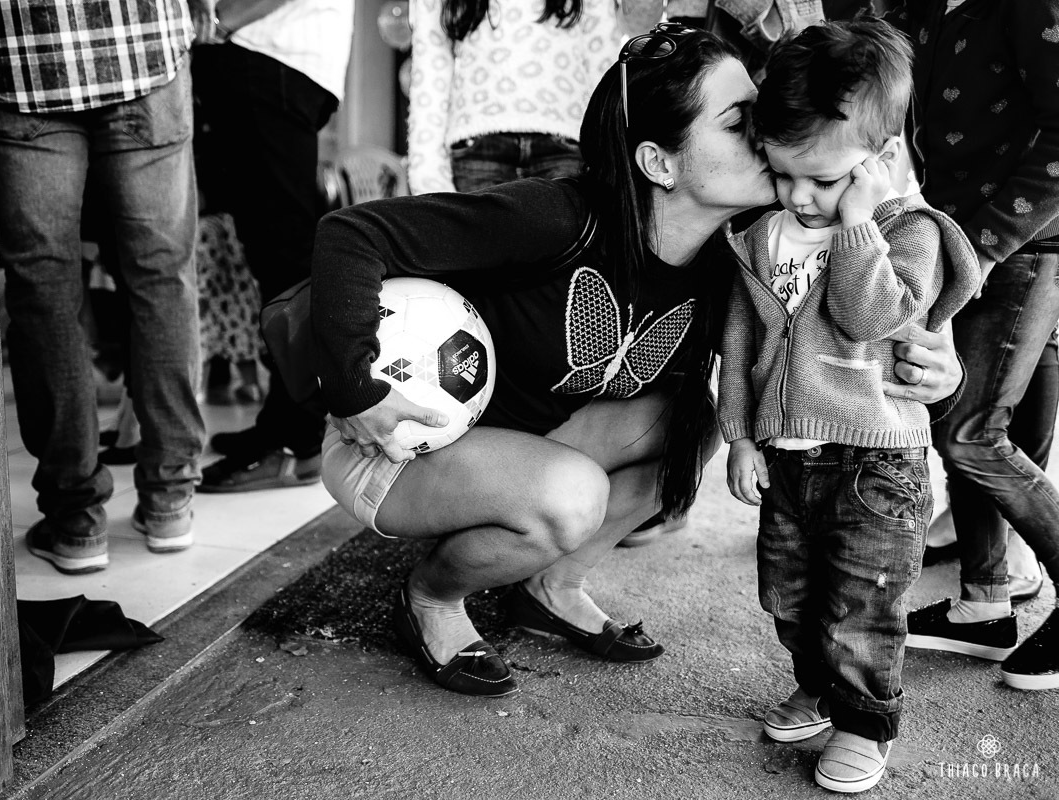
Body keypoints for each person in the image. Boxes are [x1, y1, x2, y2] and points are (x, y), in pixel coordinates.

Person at [303, 21, 964, 701]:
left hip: (517, 442)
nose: (765, 135)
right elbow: (352, 233)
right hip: (394, 442)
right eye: (740, 121)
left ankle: (550, 585)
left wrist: (938, 363)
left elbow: (849, 309)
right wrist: (357, 392)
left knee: (688, 423)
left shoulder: (734, 251)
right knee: (570, 498)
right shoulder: (558, 217)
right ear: (660, 163)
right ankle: (432, 599)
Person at [718, 20, 978, 793]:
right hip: (790, 458)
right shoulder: (764, 236)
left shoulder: (909, 234)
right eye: (784, 172)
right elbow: (741, 342)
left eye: (825, 180)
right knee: (789, 595)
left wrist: (857, 221)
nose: (801, 196)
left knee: (862, 605)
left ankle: (865, 720)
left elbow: (873, 319)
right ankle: (822, 687)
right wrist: (739, 433)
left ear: (881, 159)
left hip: (878, 463)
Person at [0, 0, 206, 573]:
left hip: (23, 58)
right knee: (163, 280)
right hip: (143, 48)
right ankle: (169, 501)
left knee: (44, 290)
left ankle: (75, 518)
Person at [888, 0, 1059, 693]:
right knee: (964, 412)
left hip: (1019, 242)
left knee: (970, 435)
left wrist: (982, 249)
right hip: (959, 236)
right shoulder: (922, 6)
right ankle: (984, 603)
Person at [191, 0, 355, 494]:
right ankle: (285, 426)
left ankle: (295, 440)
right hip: (277, 61)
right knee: (274, 256)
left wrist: (221, 22)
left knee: (285, 259)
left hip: (271, 59)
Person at [406, 0, 620, 194]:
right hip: (477, 150)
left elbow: (603, 66)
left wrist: (610, 162)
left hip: (567, 146)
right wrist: (429, 180)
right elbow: (430, 73)